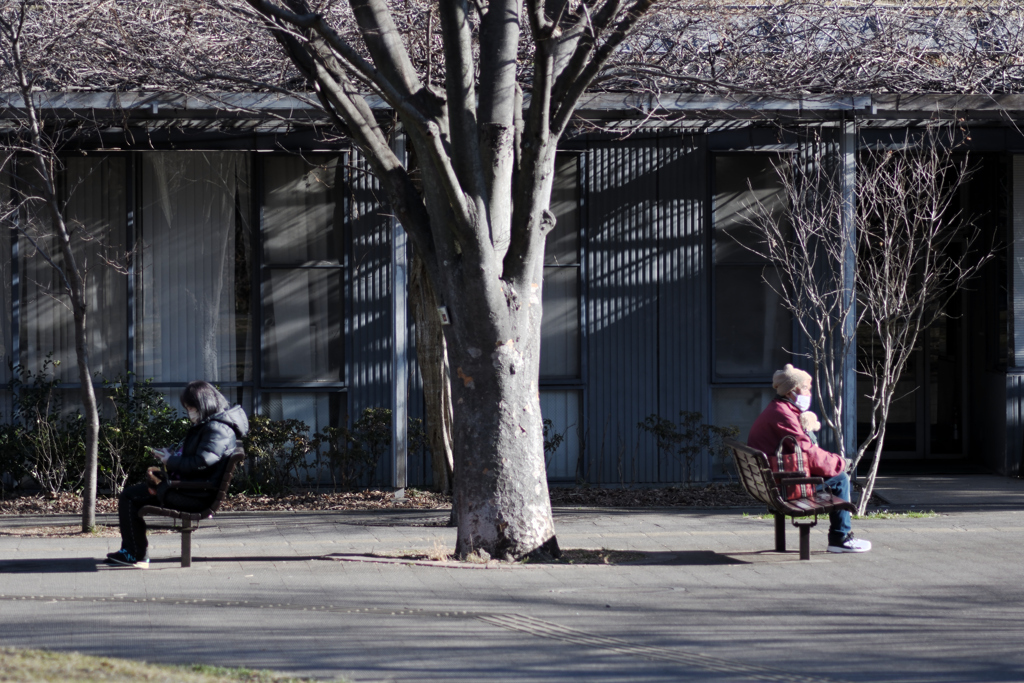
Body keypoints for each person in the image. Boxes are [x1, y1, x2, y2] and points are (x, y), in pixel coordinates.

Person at [105, 381, 249, 568]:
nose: (189, 413)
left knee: (130, 497)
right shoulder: (216, 425)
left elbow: (202, 462)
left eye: (191, 408)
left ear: (202, 405)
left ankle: (134, 554)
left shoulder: (216, 428)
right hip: (193, 489)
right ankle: (134, 552)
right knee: (136, 492)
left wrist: (169, 462)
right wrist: (171, 456)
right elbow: (199, 459)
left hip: (194, 495)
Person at [747, 364, 871, 554]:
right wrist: (840, 462)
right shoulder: (783, 415)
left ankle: (840, 536)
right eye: (805, 388)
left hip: (771, 480)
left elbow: (804, 451)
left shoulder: (779, 409)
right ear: (790, 391)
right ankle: (840, 538)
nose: (809, 392)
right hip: (782, 485)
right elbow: (809, 453)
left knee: (835, 473)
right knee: (841, 478)